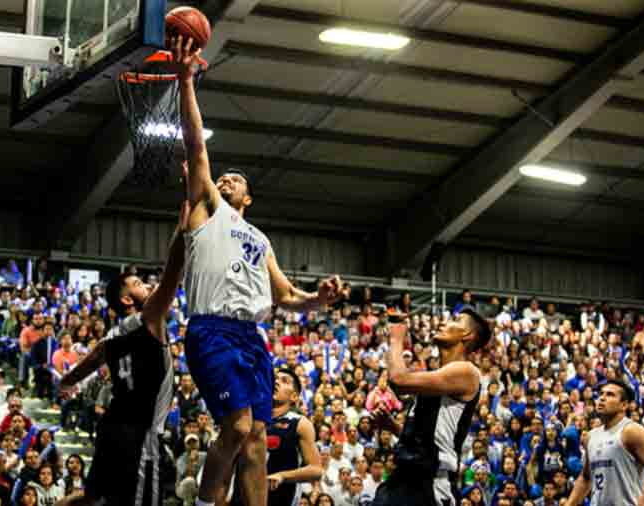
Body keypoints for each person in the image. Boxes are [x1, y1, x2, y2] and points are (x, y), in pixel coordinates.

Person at [172, 34, 345, 506]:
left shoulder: (260, 238)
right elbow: (194, 143)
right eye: (221, 177)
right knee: (239, 426)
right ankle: (207, 503)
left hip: (252, 336)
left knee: (258, 439)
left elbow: (287, 295)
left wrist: (319, 299)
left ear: (247, 198)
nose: (225, 178)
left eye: (236, 179)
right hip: (212, 329)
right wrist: (187, 80)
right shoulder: (207, 208)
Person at [56, 198, 190, 506]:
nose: (146, 285)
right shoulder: (149, 318)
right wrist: (182, 229)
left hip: (112, 428)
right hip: (141, 435)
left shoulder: (113, 335)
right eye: (138, 283)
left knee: (91, 496)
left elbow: (91, 360)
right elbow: (172, 272)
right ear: (127, 300)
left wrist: (66, 381)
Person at [370, 308, 491, 506]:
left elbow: (399, 381)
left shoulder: (466, 371)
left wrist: (396, 338)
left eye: (455, 320)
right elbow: (430, 441)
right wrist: (393, 426)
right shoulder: (439, 377)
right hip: (403, 479)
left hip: (428, 484)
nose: (444, 322)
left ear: (467, 335)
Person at [227, 368, 322, 506]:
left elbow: (316, 470)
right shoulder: (247, 419)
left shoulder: (300, 423)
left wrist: (282, 476)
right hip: (241, 499)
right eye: (275, 379)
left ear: (294, 397)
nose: (276, 382)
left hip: (280, 497)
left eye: (284, 381)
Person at [566, 379, 644, 506]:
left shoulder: (631, 431)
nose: (602, 398)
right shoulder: (591, 436)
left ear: (624, 405)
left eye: (610, 395)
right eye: (601, 394)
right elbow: (586, 477)